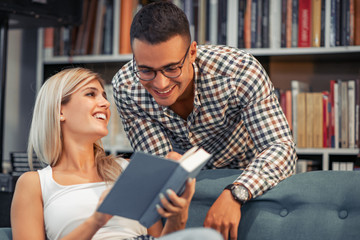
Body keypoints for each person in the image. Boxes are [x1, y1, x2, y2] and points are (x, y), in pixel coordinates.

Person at [112, 2, 297, 240]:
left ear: (192, 52)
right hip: (188, 192)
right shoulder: (126, 87)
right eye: (146, 70)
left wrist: (236, 193)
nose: (160, 84)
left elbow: (281, 148)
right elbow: (162, 170)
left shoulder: (239, 71)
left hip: (250, 179)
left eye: (171, 68)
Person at [10, 68, 223, 240]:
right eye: (91, 94)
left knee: (205, 237)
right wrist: (97, 220)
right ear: (59, 111)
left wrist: (179, 216)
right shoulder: (35, 183)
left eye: (104, 95)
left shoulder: (127, 170)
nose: (105, 102)